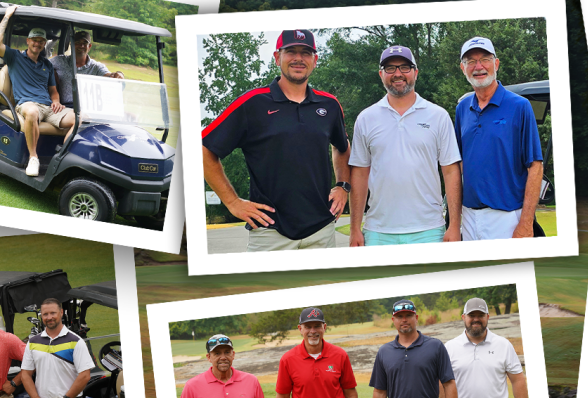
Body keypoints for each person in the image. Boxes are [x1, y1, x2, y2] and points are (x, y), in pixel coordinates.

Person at [202, 29, 351, 251]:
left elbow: (342, 147)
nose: (299, 58)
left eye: (306, 52)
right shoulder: (252, 103)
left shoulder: (329, 105)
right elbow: (204, 149)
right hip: (270, 234)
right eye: (291, 51)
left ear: (315, 60)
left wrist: (343, 186)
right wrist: (233, 202)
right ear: (277, 57)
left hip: (322, 231)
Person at [348, 45, 462, 246]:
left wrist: (454, 225)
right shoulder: (366, 118)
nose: (398, 74)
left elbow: (451, 172)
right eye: (390, 68)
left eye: (404, 67)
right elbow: (359, 174)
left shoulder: (438, 116)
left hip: (429, 230)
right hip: (378, 231)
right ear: (381, 74)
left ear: (415, 73)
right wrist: (354, 228)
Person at [454, 36, 544, 239]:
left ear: (496, 63)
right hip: (468, 217)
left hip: (507, 218)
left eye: (485, 59)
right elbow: (458, 166)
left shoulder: (520, 106)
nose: (478, 66)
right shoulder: (462, 109)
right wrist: (455, 218)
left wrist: (526, 224)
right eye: (470, 61)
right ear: (463, 68)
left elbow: (535, 167)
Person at [0, 5, 76, 177]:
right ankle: (33, 158)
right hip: (26, 104)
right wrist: (7, 16)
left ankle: (62, 158)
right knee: (31, 112)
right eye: (34, 40)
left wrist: (56, 101)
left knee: (80, 118)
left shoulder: (47, 64)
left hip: (48, 107)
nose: (37, 43)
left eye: (41, 41)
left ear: (44, 44)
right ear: (28, 41)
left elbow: (53, 91)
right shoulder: (15, 57)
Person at [51, 30, 125, 106]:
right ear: (72, 45)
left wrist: (119, 74)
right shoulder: (59, 61)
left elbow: (109, 75)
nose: (81, 46)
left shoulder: (96, 66)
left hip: (88, 107)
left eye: (85, 43)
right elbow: (43, 65)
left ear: (89, 46)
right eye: (78, 42)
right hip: (65, 107)